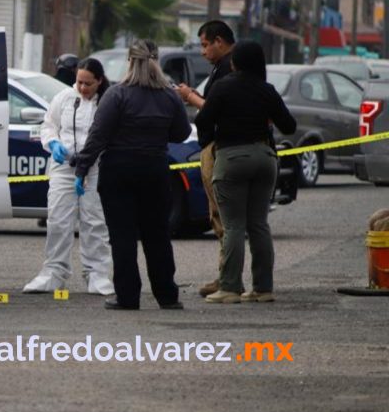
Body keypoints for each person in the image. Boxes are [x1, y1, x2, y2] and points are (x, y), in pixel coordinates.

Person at [72, 40, 192, 310]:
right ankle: (167, 296)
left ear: (130, 61)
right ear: (156, 61)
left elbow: (98, 136)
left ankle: (127, 296)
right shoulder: (169, 95)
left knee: (122, 236)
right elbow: (182, 133)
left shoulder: (117, 94)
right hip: (155, 170)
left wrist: (81, 169)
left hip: (119, 171)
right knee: (157, 235)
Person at [194, 41, 297, 303]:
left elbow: (202, 121)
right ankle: (263, 288)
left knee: (234, 226)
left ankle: (229, 287)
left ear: (234, 62)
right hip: (265, 158)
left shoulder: (223, 87)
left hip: (232, 158)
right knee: (259, 224)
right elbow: (289, 126)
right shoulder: (267, 90)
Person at [24, 58, 114, 296]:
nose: (82, 88)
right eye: (79, 82)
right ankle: (54, 271)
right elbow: (49, 125)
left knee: (94, 220)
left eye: (88, 84)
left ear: (99, 81)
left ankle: (97, 273)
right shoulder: (64, 98)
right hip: (64, 166)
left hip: (95, 167)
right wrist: (53, 143)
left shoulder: (107, 101)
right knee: (58, 219)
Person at [176, 20, 236, 297]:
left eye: (204, 45)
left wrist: (191, 97)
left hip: (220, 147)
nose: (202, 52)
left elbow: (216, 109)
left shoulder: (229, 68)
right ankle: (227, 276)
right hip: (222, 146)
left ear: (219, 41)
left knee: (223, 217)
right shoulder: (224, 68)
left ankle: (229, 280)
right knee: (224, 217)